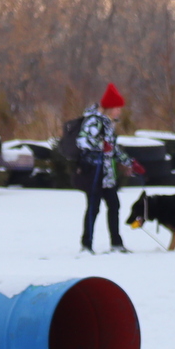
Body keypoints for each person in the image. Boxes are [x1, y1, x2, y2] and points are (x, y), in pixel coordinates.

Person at [76, 84, 137, 253]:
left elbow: (113, 148)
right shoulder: (93, 121)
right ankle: (86, 244)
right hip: (94, 172)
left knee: (114, 206)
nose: (119, 112)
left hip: (108, 175)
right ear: (109, 108)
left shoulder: (108, 123)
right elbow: (82, 141)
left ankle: (116, 243)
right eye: (117, 108)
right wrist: (101, 145)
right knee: (93, 209)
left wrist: (128, 162)